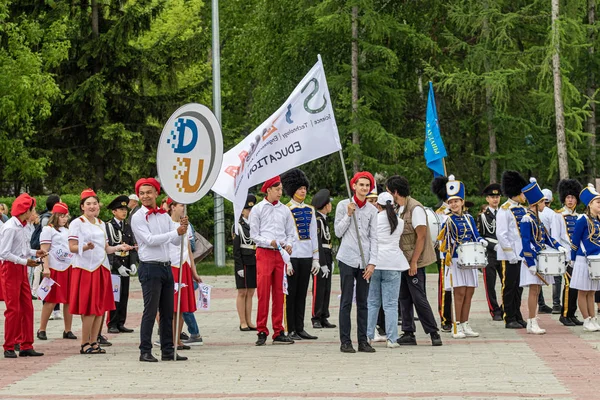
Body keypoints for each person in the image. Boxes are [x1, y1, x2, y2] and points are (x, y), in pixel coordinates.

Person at [130, 178, 189, 362]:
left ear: (156, 193)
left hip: (165, 266)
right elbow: (149, 240)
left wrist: (182, 229)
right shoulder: (138, 217)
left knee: (167, 310)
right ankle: (145, 350)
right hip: (150, 267)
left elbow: (176, 241)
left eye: (149, 192)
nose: (145, 196)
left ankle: (168, 349)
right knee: (150, 310)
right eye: (142, 193)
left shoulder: (164, 215)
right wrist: (175, 232)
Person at [68, 189, 133, 354]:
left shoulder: (101, 223)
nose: (92, 206)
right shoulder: (77, 223)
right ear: (82, 206)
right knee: (89, 308)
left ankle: (94, 341)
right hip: (85, 268)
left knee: (99, 308)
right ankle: (84, 343)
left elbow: (106, 248)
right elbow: (72, 247)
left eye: (95, 203)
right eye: (88, 204)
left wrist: (119, 247)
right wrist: (85, 247)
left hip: (101, 267)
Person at [386, 175, 442, 346]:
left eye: (389, 191)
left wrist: (414, 262)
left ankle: (433, 332)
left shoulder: (415, 208)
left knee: (418, 297)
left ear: (395, 192)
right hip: (401, 260)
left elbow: (421, 236)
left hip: (413, 261)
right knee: (404, 296)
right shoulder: (398, 208)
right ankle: (408, 332)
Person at [249, 176, 296, 346]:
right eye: (277, 189)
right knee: (263, 292)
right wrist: (270, 242)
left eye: (281, 189)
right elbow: (254, 235)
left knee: (279, 292)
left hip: (280, 253)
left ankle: (278, 330)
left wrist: (289, 244)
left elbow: (291, 232)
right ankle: (262, 329)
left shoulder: (284, 210)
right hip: (265, 252)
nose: (280, 192)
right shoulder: (258, 209)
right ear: (268, 190)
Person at [438, 176, 487, 339]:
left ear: (462, 201)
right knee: (459, 293)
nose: (453, 204)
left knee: (469, 292)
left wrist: (481, 241)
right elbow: (444, 242)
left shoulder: (469, 218)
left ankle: (465, 323)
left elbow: (475, 234)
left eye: (456, 201)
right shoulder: (448, 220)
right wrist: (450, 256)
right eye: (451, 202)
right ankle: (456, 325)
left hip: (471, 260)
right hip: (456, 261)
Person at [335, 171, 378, 353]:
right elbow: (338, 232)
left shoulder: (372, 210)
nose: (364, 188)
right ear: (354, 186)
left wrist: (372, 263)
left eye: (367, 186)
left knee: (363, 302)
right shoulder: (343, 205)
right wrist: (348, 215)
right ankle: (345, 341)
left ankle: (363, 340)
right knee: (346, 301)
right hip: (347, 258)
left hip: (364, 260)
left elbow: (374, 237)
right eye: (361, 185)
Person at [0, 193, 47, 358]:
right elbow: (4, 253)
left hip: (20, 267)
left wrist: (35, 253)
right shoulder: (10, 227)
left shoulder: (26, 226)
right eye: (32, 209)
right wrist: (25, 262)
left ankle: (26, 344)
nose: (33, 213)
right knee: (13, 309)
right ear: (25, 211)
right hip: (10, 269)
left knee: (27, 307)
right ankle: (9, 346)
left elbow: (25, 250)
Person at [518, 178, 565, 335]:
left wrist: (559, 246)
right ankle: (531, 321)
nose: (545, 204)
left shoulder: (537, 219)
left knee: (537, 290)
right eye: (542, 202)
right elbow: (525, 242)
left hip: (539, 258)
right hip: (530, 260)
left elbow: (546, 237)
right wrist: (530, 262)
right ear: (535, 204)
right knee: (533, 290)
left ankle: (533, 319)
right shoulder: (526, 219)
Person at [281, 168, 319, 341]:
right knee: (291, 294)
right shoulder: (285, 209)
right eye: (299, 188)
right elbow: (283, 236)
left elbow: (313, 235)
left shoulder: (310, 210)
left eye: (304, 188)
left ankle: (300, 327)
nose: (303, 191)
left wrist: (316, 258)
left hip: (306, 256)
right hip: (292, 256)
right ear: (292, 190)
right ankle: (290, 329)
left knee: (302, 293)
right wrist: (286, 261)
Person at [367, 191, 407, 348]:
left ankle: (368, 336)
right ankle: (392, 339)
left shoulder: (374, 219)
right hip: (393, 263)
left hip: (375, 262)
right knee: (390, 304)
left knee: (372, 302)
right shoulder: (400, 222)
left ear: (378, 205)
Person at [37, 202, 77, 341]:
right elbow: (44, 250)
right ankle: (42, 329)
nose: (65, 219)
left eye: (66, 216)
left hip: (68, 267)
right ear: (55, 216)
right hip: (54, 268)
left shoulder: (68, 230)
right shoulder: (48, 230)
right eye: (62, 216)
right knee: (51, 300)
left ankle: (68, 329)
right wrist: (46, 267)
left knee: (68, 300)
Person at [167, 198, 202, 350]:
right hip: (172, 265)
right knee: (172, 306)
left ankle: (178, 338)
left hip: (184, 266)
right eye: (181, 205)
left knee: (182, 306)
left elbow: (188, 249)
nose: (183, 208)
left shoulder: (185, 225)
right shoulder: (166, 223)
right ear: (172, 207)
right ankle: (170, 338)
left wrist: (194, 271)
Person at [497, 170, 528, 329]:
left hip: (521, 255)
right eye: (522, 192)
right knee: (509, 286)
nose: (524, 195)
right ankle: (508, 317)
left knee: (519, 287)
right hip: (509, 255)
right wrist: (510, 254)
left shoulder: (522, 209)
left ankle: (517, 314)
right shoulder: (504, 209)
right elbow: (501, 234)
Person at [552, 179, 584, 326]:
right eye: (568, 197)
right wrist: (561, 250)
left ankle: (572, 313)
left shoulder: (579, 217)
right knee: (568, 285)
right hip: (565, 256)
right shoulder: (557, 215)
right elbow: (554, 237)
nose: (570, 200)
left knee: (576, 285)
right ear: (564, 199)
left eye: (573, 197)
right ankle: (564, 315)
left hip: (578, 256)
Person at [569, 184, 600, 331]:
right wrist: (573, 258)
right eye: (598, 202)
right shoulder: (582, 219)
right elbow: (575, 241)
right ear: (590, 204)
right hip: (583, 259)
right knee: (583, 291)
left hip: (596, 260)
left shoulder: (597, 220)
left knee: (592, 291)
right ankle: (586, 319)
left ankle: (593, 318)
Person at [105, 195, 138, 334]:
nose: (124, 212)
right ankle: (112, 323)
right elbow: (109, 249)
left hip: (126, 263)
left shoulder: (128, 226)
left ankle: (120, 322)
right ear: (114, 211)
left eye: (125, 209)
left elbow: (132, 246)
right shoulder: (108, 226)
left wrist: (133, 263)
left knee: (124, 295)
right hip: (115, 265)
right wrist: (118, 266)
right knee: (115, 296)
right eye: (120, 209)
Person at [478, 183, 504, 321]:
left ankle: (505, 307)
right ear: (487, 199)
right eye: (492, 197)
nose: (495, 199)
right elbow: (480, 235)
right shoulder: (483, 216)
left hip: (504, 253)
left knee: (507, 283)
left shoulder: (503, 213)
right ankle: (494, 310)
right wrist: (492, 245)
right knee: (490, 284)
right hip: (490, 254)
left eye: (497, 196)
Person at [311, 189, 336, 329]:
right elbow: (318, 243)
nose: (330, 206)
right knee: (318, 288)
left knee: (326, 288)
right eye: (329, 204)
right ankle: (316, 316)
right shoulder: (318, 221)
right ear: (325, 205)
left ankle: (323, 315)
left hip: (326, 255)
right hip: (320, 257)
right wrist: (322, 262)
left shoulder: (323, 220)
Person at [431, 176, 453, 332]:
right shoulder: (439, 212)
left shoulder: (462, 209)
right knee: (445, 286)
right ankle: (445, 318)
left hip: (460, 253)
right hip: (445, 253)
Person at [233, 194, 258, 331]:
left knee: (251, 292)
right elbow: (236, 249)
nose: (250, 212)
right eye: (248, 210)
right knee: (242, 292)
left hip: (253, 261)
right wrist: (238, 267)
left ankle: (249, 321)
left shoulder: (255, 224)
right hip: (242, 261)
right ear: (242, 211)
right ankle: (242, 321)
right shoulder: (237, 225)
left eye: (252, 209)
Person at [535, 189, 555, 315]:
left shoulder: (544, 214)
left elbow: (547, 236)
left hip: (543, 249)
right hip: (540, 251)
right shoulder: (551, 213)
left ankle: (541, 304)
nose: (544, 204)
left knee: (537, 283)